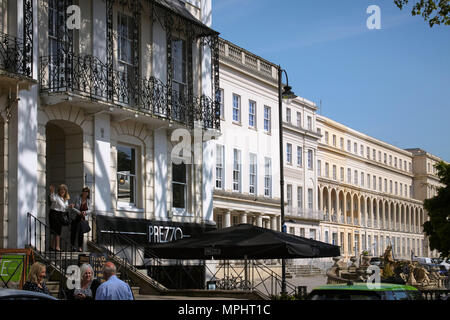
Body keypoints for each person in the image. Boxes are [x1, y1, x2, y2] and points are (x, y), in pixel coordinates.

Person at [49, 184, 75, 251]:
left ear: (66, 191)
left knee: (56, 231)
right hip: (54, 214)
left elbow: (65, 206)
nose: (62, 191)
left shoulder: (66, 198)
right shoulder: (56, 196)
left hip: (60, 214)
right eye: (61, 189)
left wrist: (70, 206)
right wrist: (52, 192)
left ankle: (52, 246)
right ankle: (57, 247)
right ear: (59, 190)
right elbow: (52, 199)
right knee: (57, 230)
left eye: (63, 189)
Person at [71, 187, 92, 252]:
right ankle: (72, 246)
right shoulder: (77, 198)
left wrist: (85, 212)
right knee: (73, 232)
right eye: (84, 191)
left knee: (81, 233)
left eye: (86, 192)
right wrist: (78, 212)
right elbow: (72, 207)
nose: (85, 193)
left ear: (88, 193)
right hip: (75, 217)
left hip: (82, 218)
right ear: (82, 192)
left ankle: (80, 247)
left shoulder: (88, 200)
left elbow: (90, 210)